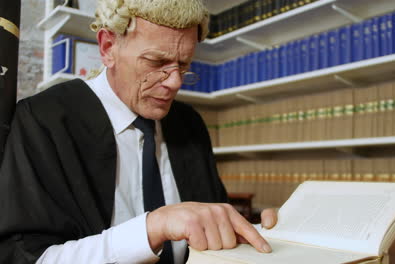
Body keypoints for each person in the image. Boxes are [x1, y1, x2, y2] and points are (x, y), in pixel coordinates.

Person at [0, 0, 277, 263]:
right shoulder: (43, 120)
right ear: (108, 47)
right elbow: (28, 258)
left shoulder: (190, 124)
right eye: (157, 63)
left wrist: (255, 234)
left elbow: (213, 229)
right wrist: (153, 228)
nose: (175, 83)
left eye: (183, 64)